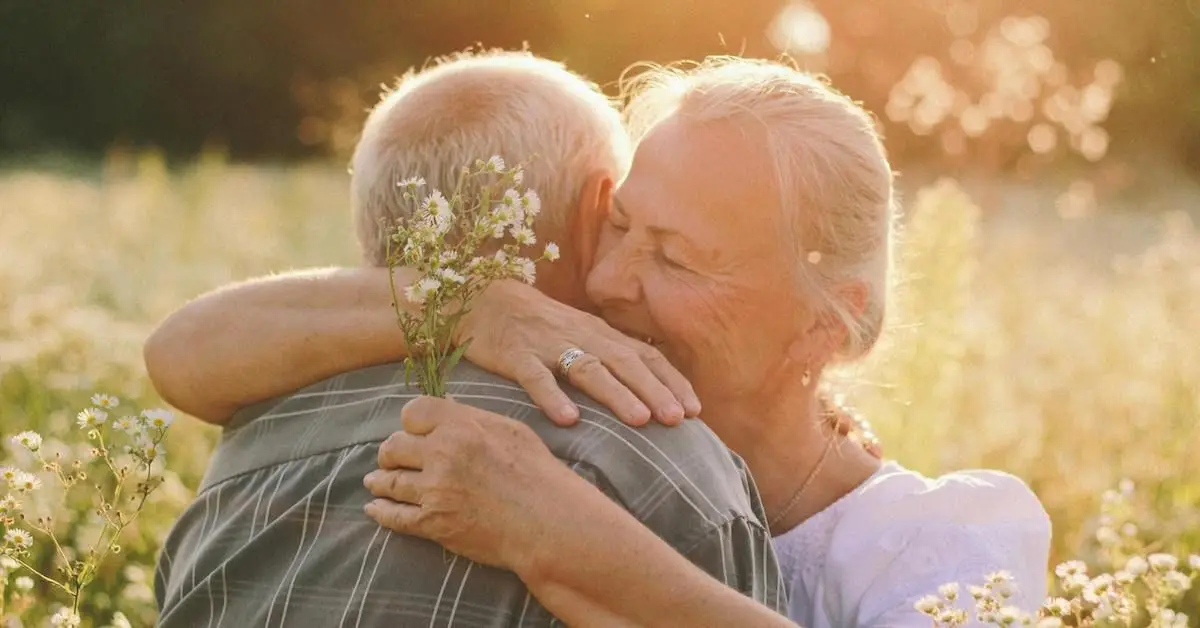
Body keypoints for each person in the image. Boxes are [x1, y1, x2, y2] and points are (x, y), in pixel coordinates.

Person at [146, 56, 1053, 626]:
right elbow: (184, 349)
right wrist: (474, 304)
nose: (612, 282)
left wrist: (557, 534)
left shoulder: (940, 544)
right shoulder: (563, 415)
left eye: (678, 258)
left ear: (829, 320)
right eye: (619, 227)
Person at [149, 51, 788, 628]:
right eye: (620, 219)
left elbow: (170, 351)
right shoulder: (660, 454)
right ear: (596, 207)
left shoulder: (251, 437)